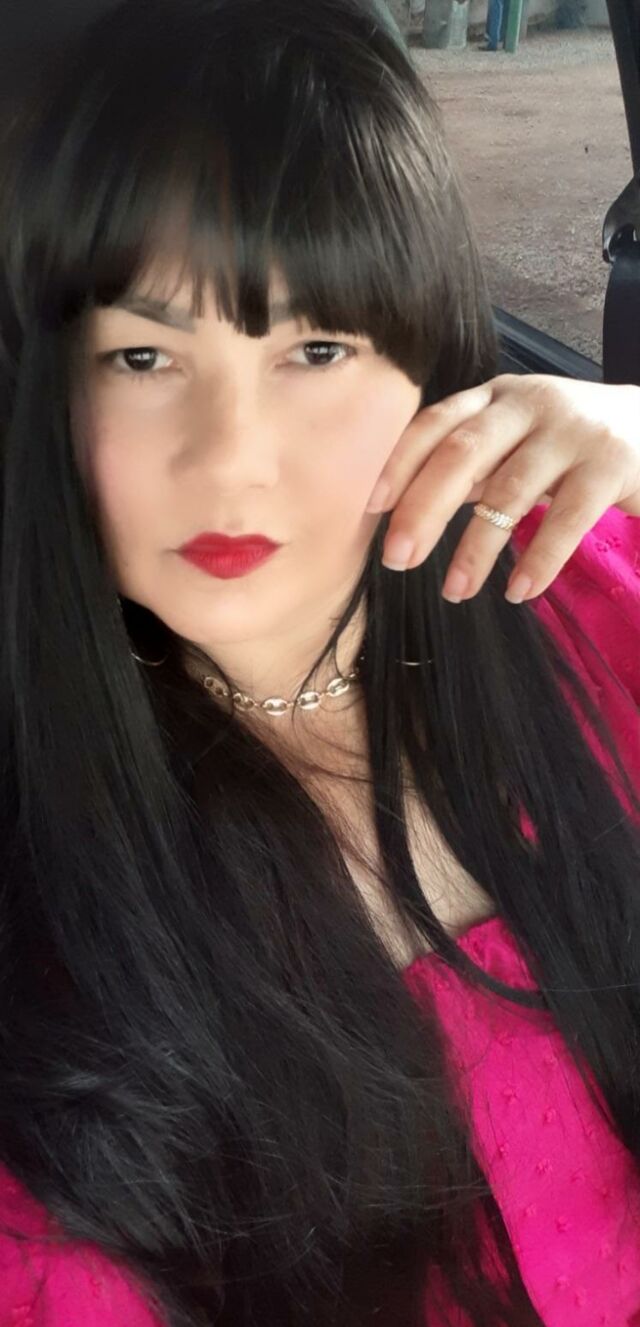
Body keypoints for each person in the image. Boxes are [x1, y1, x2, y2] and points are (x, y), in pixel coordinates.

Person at [0, 1, 639, 1324]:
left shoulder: (578, 584)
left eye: (317, 348)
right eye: (142, 356)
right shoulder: (45, 868)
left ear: (434, 369)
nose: (231, 461)